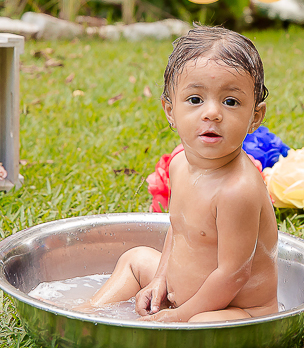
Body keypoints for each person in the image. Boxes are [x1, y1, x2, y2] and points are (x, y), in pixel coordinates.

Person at [86, 26, 279, 322]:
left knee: (199, 325)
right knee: (135, 259)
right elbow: (178, 230)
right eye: (195, 100)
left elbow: (233, 275)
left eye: (230, 101)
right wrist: (160, 278)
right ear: (170, 111)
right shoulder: (178, 165)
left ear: (255, 116)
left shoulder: (238, 190)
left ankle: (170, 328)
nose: (212, 113)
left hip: (236, 310)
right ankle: (86, 314)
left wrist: (180, 316)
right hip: (181, 295)